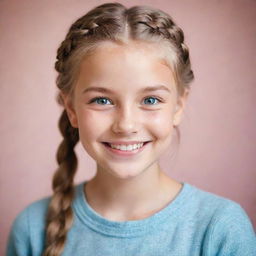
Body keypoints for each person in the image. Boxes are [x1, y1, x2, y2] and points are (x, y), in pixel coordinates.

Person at [6, 2, 256, 256]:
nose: (126, 125)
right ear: (71, 109)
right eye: (102, 100)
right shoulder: (33, 228)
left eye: (150, 100)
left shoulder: (221, 227)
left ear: (178, 106)